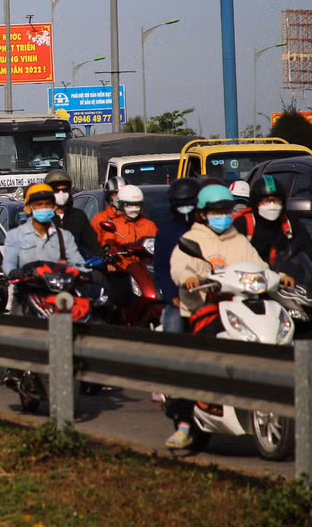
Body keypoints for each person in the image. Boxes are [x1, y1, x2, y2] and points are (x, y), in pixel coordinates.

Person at [165, 184, 292, 449]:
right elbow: (179, 265)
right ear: (202, 214)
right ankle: (185, 424)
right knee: (194, 361)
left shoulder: (239, 239)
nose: (222, 215)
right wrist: (188, 277)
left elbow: (258, 265)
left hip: (242, 307)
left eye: (226, 210)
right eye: (215, 211)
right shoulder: (194, 239)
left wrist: (278, 276)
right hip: (203, 308)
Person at [2, 184, 84, 277]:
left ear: (54, 207)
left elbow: (78, 263)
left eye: (48, 204)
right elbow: (9, 262)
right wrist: (13, 272)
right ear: (29, 208)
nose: (44, 208)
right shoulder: (15, 235)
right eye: (39, 204)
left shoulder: (64, 236)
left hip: (58, 287)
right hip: (26, 288)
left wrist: (87, 273)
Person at [153, 177, 200, 335]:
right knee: (173, 330)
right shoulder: (166, 232)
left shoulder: (206, 228)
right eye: (181, 204)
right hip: (179, 299)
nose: (185, 208)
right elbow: (161, 269)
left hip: (211, 297)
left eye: (189, 203)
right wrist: (172, 295)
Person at [233, 174, 312, 266]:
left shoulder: (290, 223)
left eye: (276, 200)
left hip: (286, 277)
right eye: (266, 201)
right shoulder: (243, 223)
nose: (272, 205)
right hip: (251, 276)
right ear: (255, 202)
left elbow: (309, 253)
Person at [45, 169, 102, 260]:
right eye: (57, 191)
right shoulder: (42, 218)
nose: (61, 194)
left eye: (64, 190)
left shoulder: (79, 216)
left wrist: (102, 259)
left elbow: (92, 244)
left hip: (76, 268)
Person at [95, 184, 158, 252]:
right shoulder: (115, 226)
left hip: (145, 261)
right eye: (129, 205)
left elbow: (158, 245)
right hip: (121, 262)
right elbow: (107, 242)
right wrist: (110, 248)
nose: (134, 208)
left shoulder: (149, 226)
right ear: (121, 205)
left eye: (137, 204)